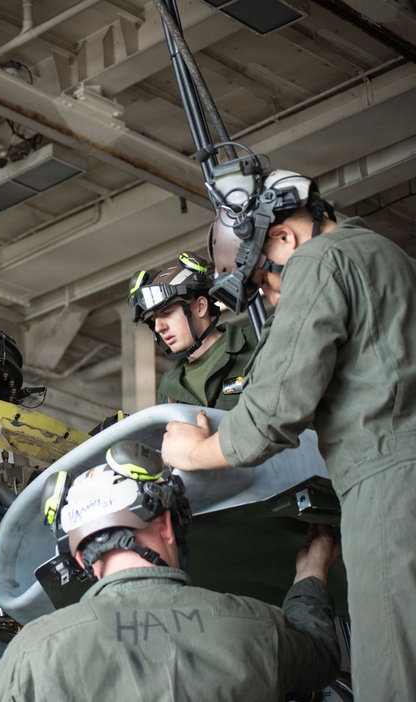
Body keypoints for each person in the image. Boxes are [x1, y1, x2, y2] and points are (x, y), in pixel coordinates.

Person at [161, 166, 416, 700]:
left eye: (264, 281)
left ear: (283, 237)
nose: (272, 299)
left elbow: (274, 413)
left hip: (391, 488)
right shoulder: (391, 258)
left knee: (394, 672)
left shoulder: (320, 261)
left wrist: (199, 450)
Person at [0, 442, 342, 702]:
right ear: (167, 526)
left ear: (79, 558)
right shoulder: (258, 626)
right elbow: (321, 656)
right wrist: (313, 569)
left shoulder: (32, 653)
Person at [128, 251, 256, 409]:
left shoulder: (256, 343)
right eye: (153, 320)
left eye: (167, 313)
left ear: (201, 307)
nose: (159, 327)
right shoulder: (169, 388)